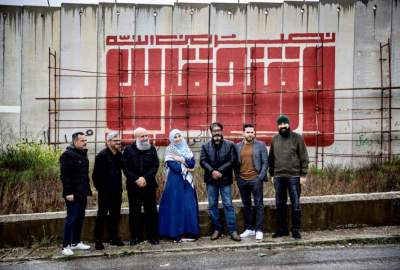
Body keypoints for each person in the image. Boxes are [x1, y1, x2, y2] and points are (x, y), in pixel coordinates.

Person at [268, 115, 309, 239]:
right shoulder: (275, 139)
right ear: (277, 126)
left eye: (285, 123)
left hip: (294, 177)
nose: (282, 126)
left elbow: (304, 157)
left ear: (289, 124)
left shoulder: (297, 138)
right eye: (280, 124)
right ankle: (282, 229)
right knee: (280, 204)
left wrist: (303, 175)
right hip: (279, 177)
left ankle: (295, 229)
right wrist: (272, 175)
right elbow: (271, 159)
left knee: (295, 204)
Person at [200, 122, 241, 241]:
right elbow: (202, 161)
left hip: (225, 180)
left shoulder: (230, 145)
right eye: (214, 131)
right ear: (211, 132)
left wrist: (219, 171)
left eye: (218, 130)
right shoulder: (205, 146)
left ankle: (233, 231)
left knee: (228, 204)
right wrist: (212, 171)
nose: (216, 133)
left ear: (222, 131)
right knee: (212, 205)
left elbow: (232, 160)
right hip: (211, 180)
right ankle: (217, 230)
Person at [159, 129, 200, 242]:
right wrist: (186, 166)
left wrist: (181, 159)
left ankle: (190, 232)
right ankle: (175, 233)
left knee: (189, 205)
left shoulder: (187, 149)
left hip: (186, 182)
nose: (177, 139)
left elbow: (192, 163)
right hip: (174, 182)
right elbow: (174, 167)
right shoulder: (169, 150)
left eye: (179, 136)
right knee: (175, 206)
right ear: (172, 139)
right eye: (175, 137)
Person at [123, 127, 160, 245]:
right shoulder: (128, 150)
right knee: (134, 212)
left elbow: (155, 165)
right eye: (142, 136)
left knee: (151, 212)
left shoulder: (152, 149)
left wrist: (145, 178)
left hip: (149, 185)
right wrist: (137, 179)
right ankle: (135, 237)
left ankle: (152, 237)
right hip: (134, 186)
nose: (145, 138)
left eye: (146, 136)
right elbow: (126, 168)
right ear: (135, 138)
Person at [60, 132, 92, 256]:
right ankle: (66, 246)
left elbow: (83, 176)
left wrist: (87, 191)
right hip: (72, 194)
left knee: (79, 218)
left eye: (86, 140)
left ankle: (75, 242)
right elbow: (64, 176)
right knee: (71, 219)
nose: (85, 142)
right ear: (75, 141)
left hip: (82, 193)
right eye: (82, 140)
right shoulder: (67, 155)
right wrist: (68, 192)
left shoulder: (82, 154)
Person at [235, 124, 268, 242]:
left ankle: (259, 230)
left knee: (258, 204)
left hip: (256, 179)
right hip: (242, 179)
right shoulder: (237, 146)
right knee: (246, 204)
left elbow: (265, 162)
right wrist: (237, 177)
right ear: (243, 133)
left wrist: (260, 177)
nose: (250, 134)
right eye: (248, 132)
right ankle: (249, 228)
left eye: (252, 132)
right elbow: (235, 163)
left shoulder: (261, 145)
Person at [92, 131, 124, 250]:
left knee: (115, 215)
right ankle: (98, 240)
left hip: (117, 191)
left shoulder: (119, 155)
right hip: (105, 192)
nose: (118, 143)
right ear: (108, 142)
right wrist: (101, 189)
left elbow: (124, 170)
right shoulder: (101, 156)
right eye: (115, 141)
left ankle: (114, 238)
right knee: (102, 215)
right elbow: (95, 176)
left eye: (119, 141)